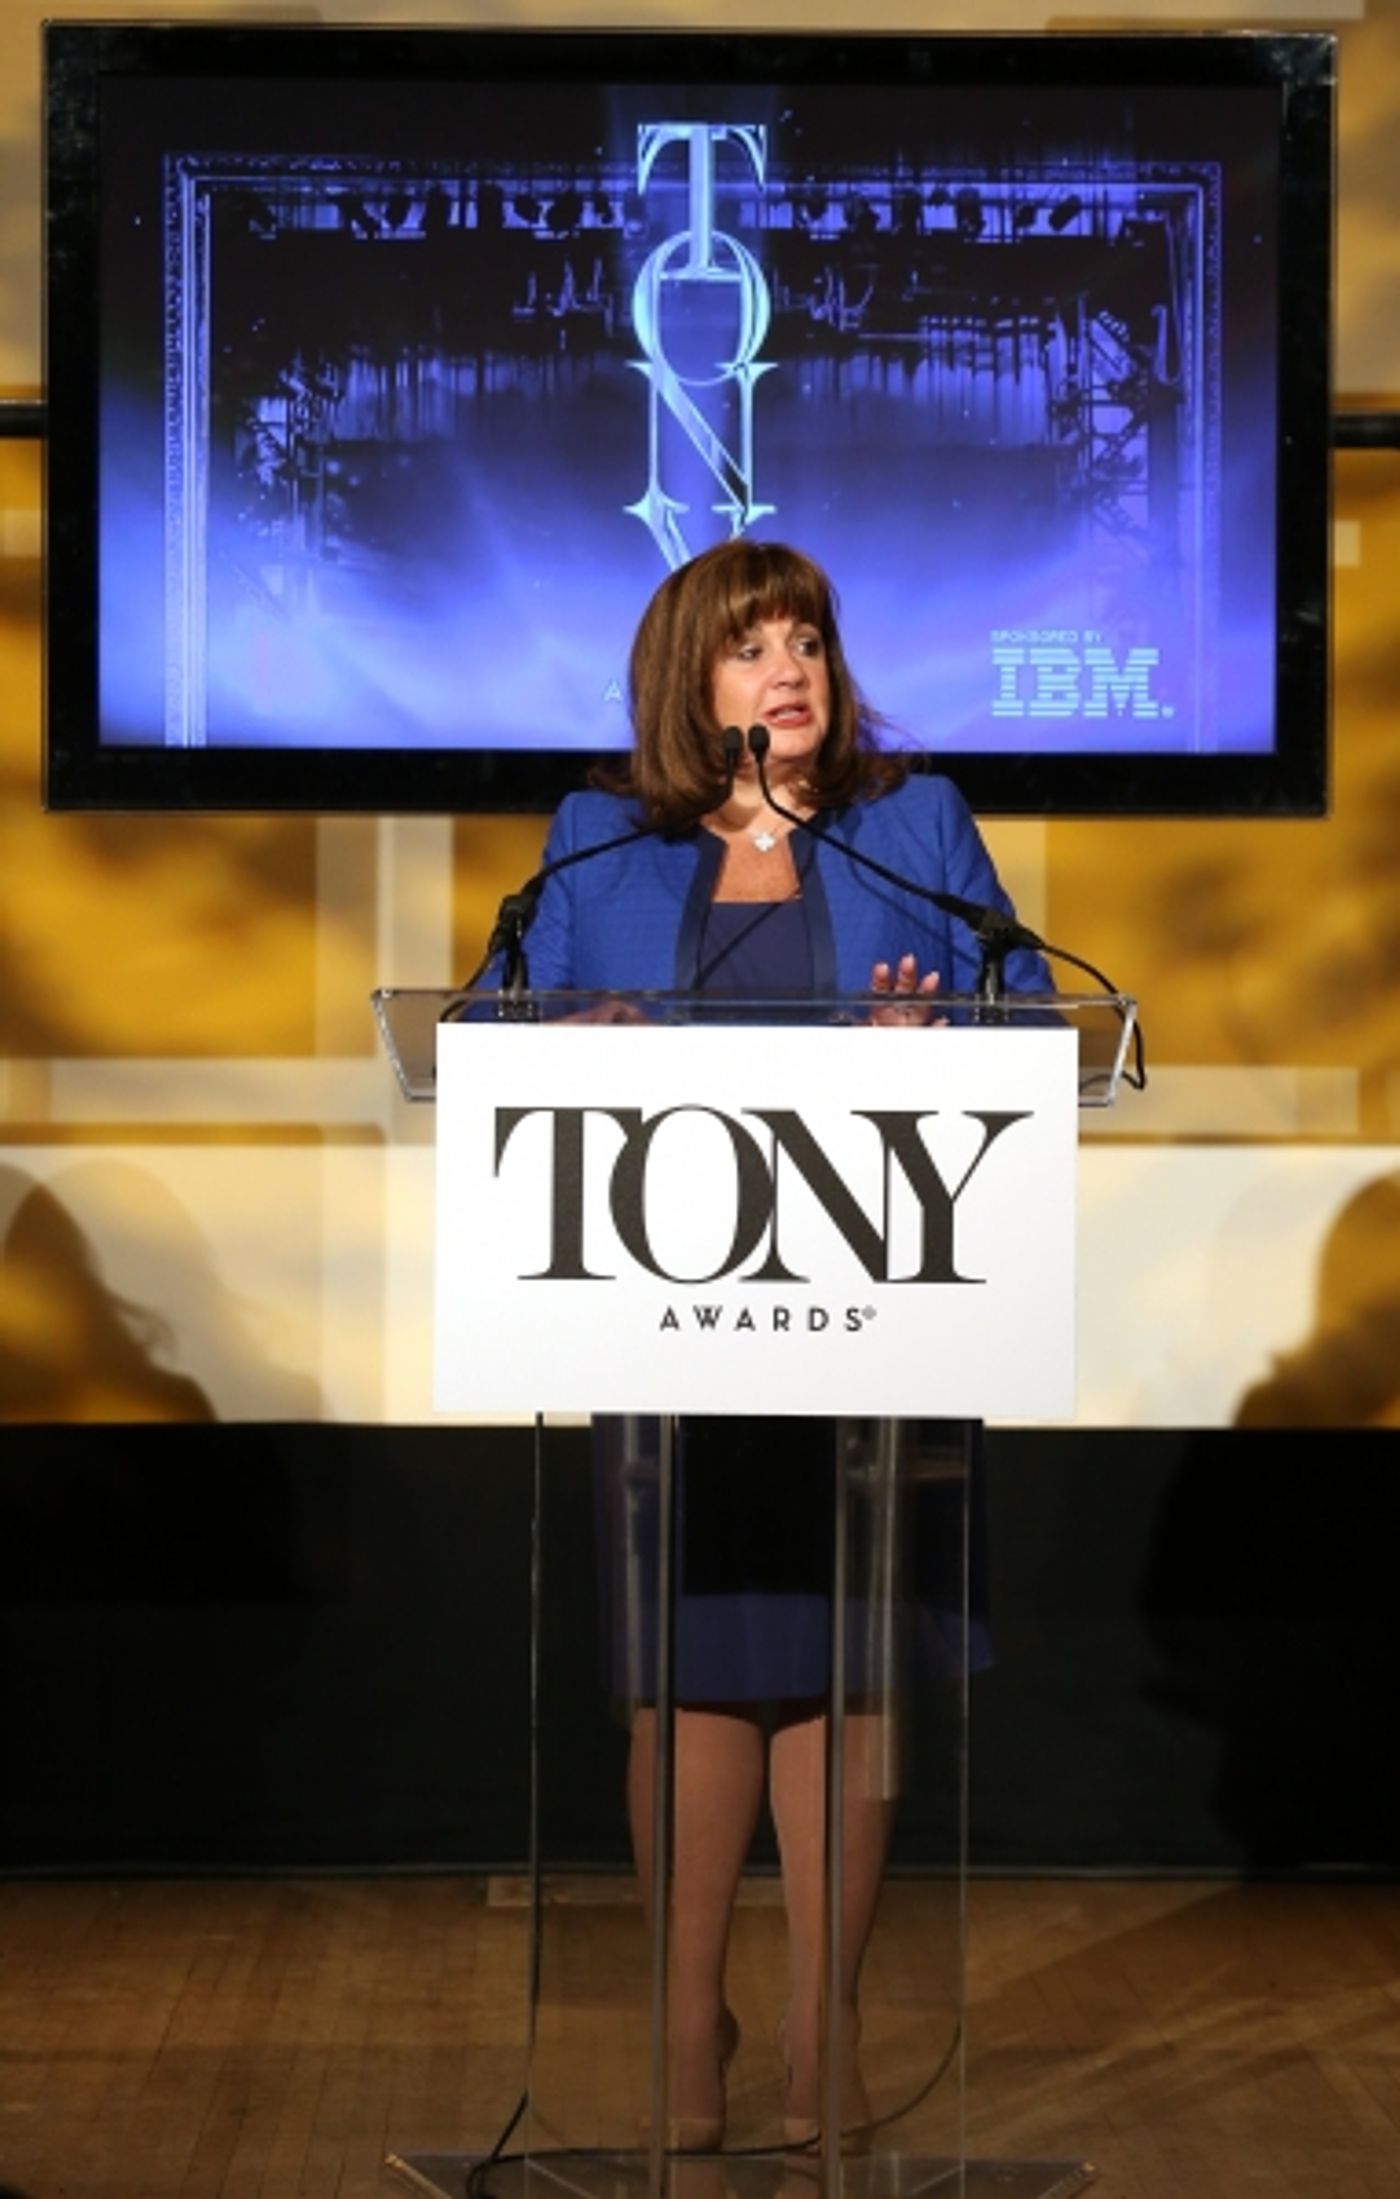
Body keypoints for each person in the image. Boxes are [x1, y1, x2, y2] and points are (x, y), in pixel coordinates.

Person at [508, 539, 1048, 2151]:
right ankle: (689, 2034)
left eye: (805, 638)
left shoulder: (914, 828)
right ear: (693, 679)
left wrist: (939, 1035)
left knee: (845, 1679)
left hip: (874, 1314)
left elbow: (1027, 1009)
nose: (790, 670)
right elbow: (481, 1020)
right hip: (666, 1320)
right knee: (688, 1683)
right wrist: (566, 1034)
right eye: (751, 648)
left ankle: (825, 2028)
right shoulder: (597, 841)